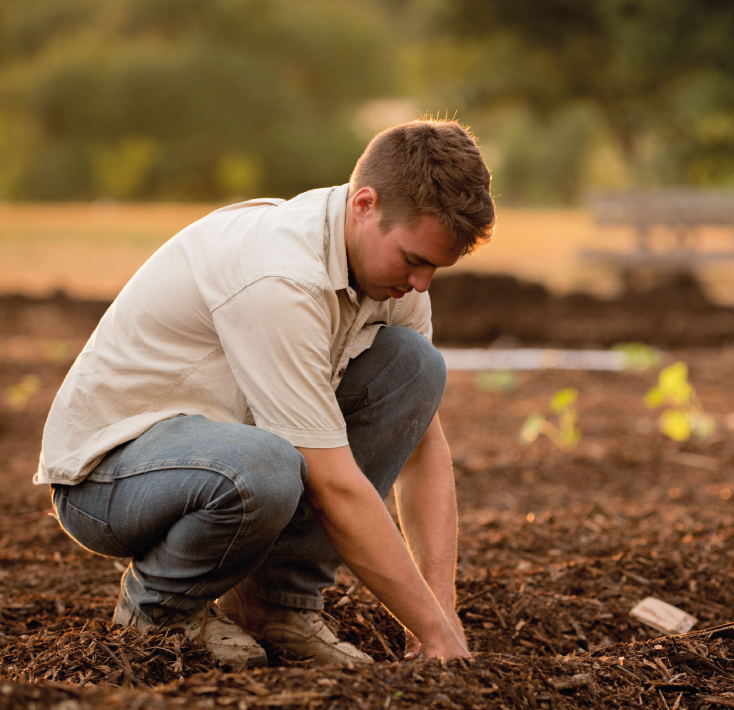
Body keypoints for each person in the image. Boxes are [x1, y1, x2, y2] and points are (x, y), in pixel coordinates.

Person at [35, 119, 495, 669]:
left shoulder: (391, 279)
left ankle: (275, 605)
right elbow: (334, 486)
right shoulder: (278, 277)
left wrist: (441, 614)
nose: (421, 284)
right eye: (414, 260)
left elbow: (422, 446)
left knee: (415, 368)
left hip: (221, 452)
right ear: (364, 205)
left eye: (435, 268)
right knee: (268, 466)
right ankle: (159, 611)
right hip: (107, 478)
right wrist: (427, 627)